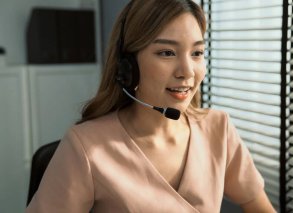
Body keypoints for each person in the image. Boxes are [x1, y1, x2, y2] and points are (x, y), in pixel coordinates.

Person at [26, 0, 276, 212]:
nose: (187, 72)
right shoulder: (86, 148)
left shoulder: (217, 128)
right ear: (128, 67)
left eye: (197, 53)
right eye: (167, 53)